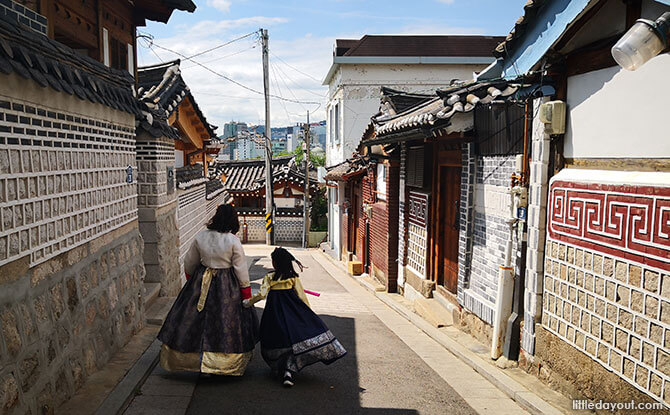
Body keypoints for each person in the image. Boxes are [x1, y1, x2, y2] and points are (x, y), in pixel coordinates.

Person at [157, 204, 258, 375]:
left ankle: (189, 360)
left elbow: (189, 262)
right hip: (227, 286)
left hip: (201, 281)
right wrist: (245, 292)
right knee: (225, 321)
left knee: (193, 320)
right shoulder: (233, 241)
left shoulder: (201, 237)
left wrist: (191, 280)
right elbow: (240, 269)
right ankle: (224, 364)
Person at [245, 247, 347, 387]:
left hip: (274, 312)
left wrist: (248, 302)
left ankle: (281, 368)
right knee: (291, 337)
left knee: (275, 336)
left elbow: (261, 294)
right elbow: (301, 295)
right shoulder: (293, 277)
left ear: (275, 263)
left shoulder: (269, 277)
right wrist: (308, 313)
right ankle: (289, 370)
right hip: (292, 310)